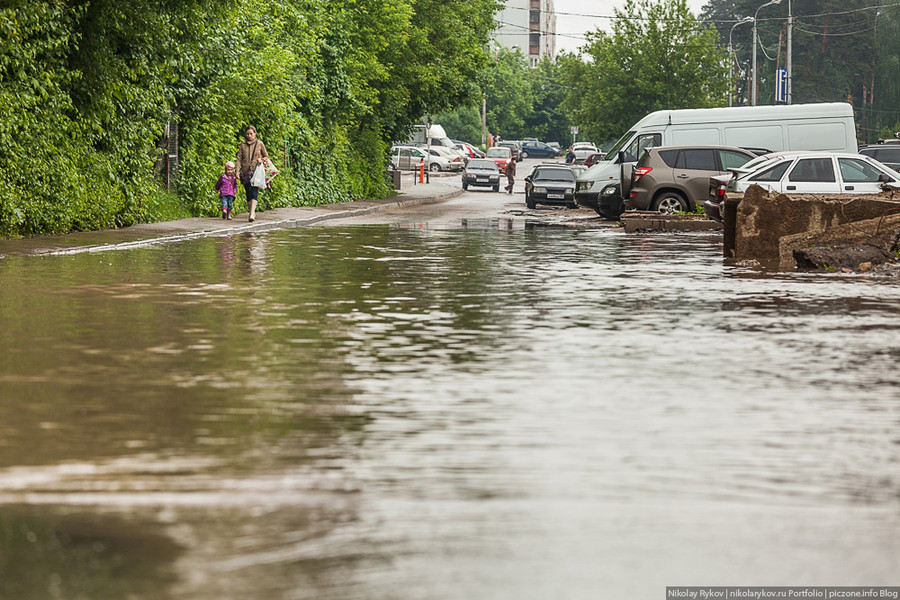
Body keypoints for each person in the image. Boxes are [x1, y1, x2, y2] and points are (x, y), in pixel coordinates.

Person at [235, 125, 269, 222]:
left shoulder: (260, 144)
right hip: (245, 172)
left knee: (254, 191)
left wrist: (261, 159)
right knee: (248, 192)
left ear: (255, 133)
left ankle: (252, 213)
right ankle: (251, 210)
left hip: (256, 172)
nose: (249, 136)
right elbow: (239, 159)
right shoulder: (242, 145)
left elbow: (266, 156)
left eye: (251, 134)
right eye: (247, 134)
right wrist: (237, 171)